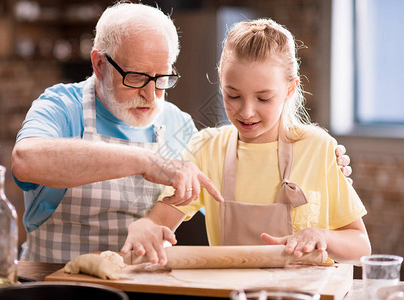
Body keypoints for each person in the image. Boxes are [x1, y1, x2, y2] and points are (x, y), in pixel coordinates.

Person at [12, 3, 351, 263]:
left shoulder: (178, 127)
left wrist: (322, 163)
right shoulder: (63, 106)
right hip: (52, 278)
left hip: (134, 284)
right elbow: (26, 162)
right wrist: (144, 161)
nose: (150, 94)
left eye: (162, 79)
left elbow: (238, 182)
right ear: (99, 64)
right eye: (136, 77)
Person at [122, 18, 370, 266]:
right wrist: (145, 227)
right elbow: (159, 222)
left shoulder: (317, 147)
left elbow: (361, 248)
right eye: (233, 95)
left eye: (263, 98)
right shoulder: (205, 148)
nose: (246, 112)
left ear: (290, 89)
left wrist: (322, 236)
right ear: (220, 79)